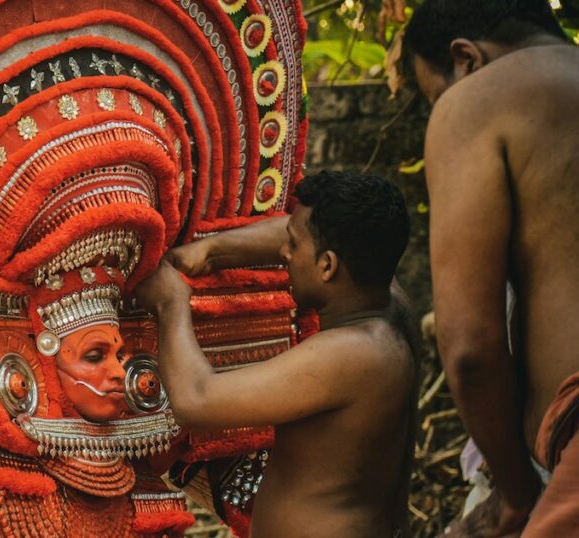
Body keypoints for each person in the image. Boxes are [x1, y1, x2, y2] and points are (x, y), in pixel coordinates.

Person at [137, 171, 417, 537]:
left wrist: (171, 305)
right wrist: (212, 252)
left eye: (294, 246)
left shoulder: (351, 353)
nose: (284, 252)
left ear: (328, 266)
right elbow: (293, 230)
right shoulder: (390, 300)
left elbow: (197, 400)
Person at [402, 1, 579, 535]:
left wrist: (515, 497)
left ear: (465, 59)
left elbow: (471, 348)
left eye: (436, 97)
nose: (443, 109)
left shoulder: (482, 98)